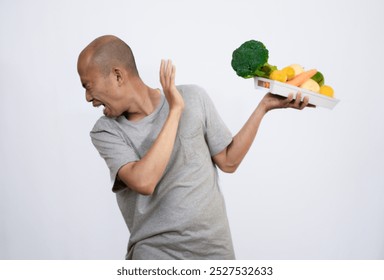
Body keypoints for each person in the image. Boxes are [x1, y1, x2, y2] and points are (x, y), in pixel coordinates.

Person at [77, 35, 312, 260]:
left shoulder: (194, 96)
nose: (88, 97)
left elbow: (228, 161)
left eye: (88, 85)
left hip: (216, 253)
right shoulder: (107, 131)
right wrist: (175, 110)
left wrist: (264, 107)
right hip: (156, 258)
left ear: (118, 75)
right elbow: (144, 181)